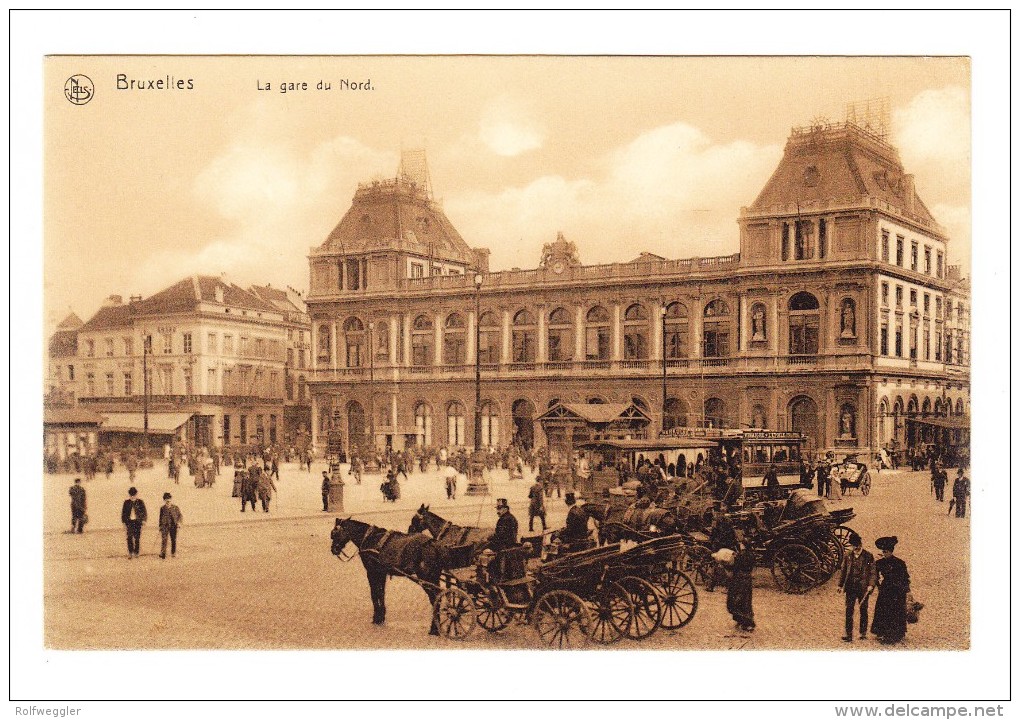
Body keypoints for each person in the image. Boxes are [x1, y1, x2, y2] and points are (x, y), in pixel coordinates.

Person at [871, 536, 910, 644]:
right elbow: (874, 575)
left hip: (898, 591)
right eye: (883, 552)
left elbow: (905, 578)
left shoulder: (900, 563)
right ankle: (882, 632)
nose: (884, 554)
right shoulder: (880, 563)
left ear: (891, 552)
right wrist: (877, 585)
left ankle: (896, 633)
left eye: (886, 552)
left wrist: (907, 591)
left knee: (896, 611)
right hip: (885, 589)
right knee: (884, 611)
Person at [837, 533, 876, 642]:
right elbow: (843, 571)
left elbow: (873, 572)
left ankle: (862, 633)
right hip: (850, 587)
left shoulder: (868, 556)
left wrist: (871, 585)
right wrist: (840, 585)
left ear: (860, 544)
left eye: (857, 546)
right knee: (849, 610)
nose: (855, 548)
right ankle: (848, 634)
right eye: (853, 546)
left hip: (863, 588)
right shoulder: (848, 555)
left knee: (863, 610)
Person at [725, 539, 755, 632]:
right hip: (747, 579)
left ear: (744, 546)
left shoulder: (740, 556)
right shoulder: (752, 555)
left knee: (735, 600)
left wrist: (726, 566)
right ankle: (745, 621)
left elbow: (734, 566)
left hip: (739, 579)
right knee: (746, 601)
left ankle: (746, 621)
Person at [121, 487, 147, 559]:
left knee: (137, 538)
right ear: (129, 495)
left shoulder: (140, 502)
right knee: (129, 537)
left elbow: (144, 512)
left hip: (137, 522)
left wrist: (144, 520)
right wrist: (123, 523)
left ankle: (137, 552)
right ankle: (130, 552)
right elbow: (123, 513)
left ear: (136, 495)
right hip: (129, 522)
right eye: (131, 495)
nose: (132, 497)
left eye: (134, 495)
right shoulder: (126, 502)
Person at [158, 492, 183, 559]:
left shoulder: (175, 507)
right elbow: (160, 518)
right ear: (164, 500)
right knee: (164, 540)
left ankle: (173, 553)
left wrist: (179, 523)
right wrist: (160, 526)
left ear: (171, 499)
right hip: (165, 526)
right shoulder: (162, 508)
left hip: (173, 526)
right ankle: (163, 553)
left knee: (173, 540)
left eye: (169, 499)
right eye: (166, 499)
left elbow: (180, 516)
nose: (168, 501)